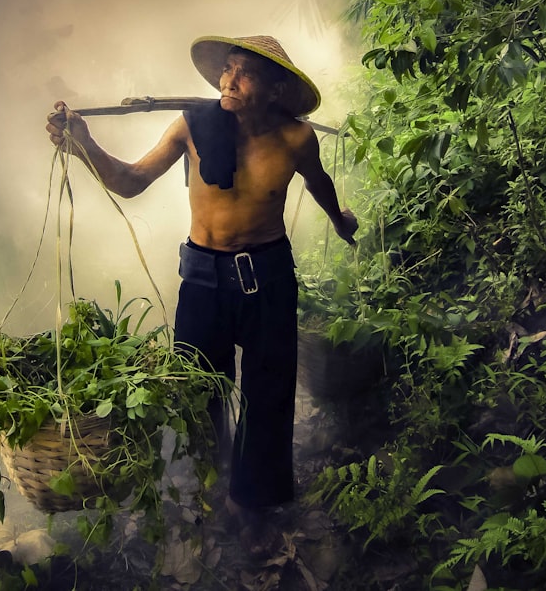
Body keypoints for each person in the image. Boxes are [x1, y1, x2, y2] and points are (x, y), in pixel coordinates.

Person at [46, 34, 357, 551]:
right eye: (227, 70)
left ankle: (250, 501)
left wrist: (340, 220)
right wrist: (82, 143)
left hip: (269, 275)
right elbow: (129, 180)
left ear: (276, 88)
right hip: (205, 278)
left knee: (269, 393)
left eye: (244, 74)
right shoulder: (193, 126)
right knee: (199, 391)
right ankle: (211, 487)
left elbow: (318, 182)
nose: (227, 81)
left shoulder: (296, 139)